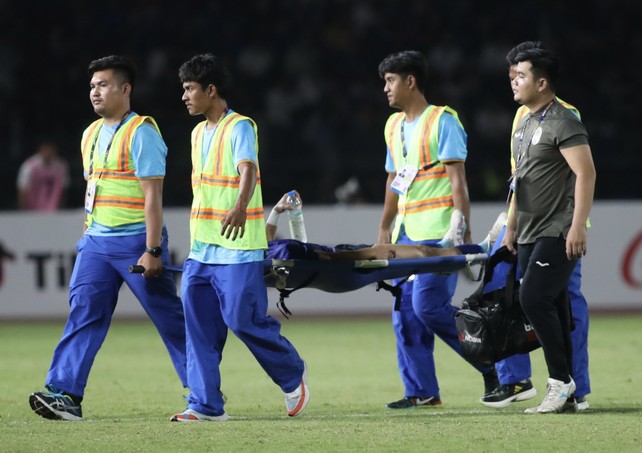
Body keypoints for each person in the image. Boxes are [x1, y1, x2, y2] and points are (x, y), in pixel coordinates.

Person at [28, 55, 187, 421]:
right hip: (96, 244)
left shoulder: (142, 132)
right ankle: (64, 393)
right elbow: (94, 191)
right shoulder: (89, 134)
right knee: (84, 313)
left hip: (136, 242)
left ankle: (204, 391)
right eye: (91, 87)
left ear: (125, 89)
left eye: (102, 85)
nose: (95, 92)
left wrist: (152, 249)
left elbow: (152, 197)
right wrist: (87, 236)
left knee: (169, 319)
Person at [171, 54, 308, 422]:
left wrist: (239, 206)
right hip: (202, 247)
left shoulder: (241, 127)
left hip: (239, 244)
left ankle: (292, 374)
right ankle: (205, 405)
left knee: (241, 319)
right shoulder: (197, 132)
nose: (184, 96)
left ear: (210, 90)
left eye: (189, 89)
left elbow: (247, 170)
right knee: (197, 326)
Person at [375, 50, 499, 409]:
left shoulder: (443, 121)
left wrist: (462, 234)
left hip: (440, 234)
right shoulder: (392, 126)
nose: (385, 88)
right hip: (405, 234)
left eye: (390, 80)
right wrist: (384, 226)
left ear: (410, 81)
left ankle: (490, 361)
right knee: (406, 315)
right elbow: (394, 180)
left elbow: (458, 183)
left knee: (428, 308)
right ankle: (422, 391)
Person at [481, 41, 592, 412]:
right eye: (513, 75)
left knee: (533, 299)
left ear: (542, 83)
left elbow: (586, 173)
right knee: (556, 308)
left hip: (557, 229)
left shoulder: (564, 120)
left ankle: (559, 381)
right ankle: (569, 392)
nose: (514, 81)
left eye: (521, 75)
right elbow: (520, 181)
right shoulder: (524, 123)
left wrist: (577, 227)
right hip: (528, 230)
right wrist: (510, 227)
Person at [265, 191, 504, 261]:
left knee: (424, 252)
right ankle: (481, 249)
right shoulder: (268, 259)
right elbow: (316, 258)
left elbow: (269, 237)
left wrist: (276, 211)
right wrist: (364, 255)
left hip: (339, 252)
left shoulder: (261, 251)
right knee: (421, 254)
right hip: (346, 259)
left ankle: (449, 244)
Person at [16, 139, 70, 211]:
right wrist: (24, 212)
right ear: (40, 149)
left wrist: (60, 210)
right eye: (45, 148)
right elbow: (23, 191)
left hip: (54, 212)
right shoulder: (29, 166)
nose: (48, 152)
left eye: (50, 149)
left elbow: (63, 192)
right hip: (32, 211)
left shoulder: (61, 166)